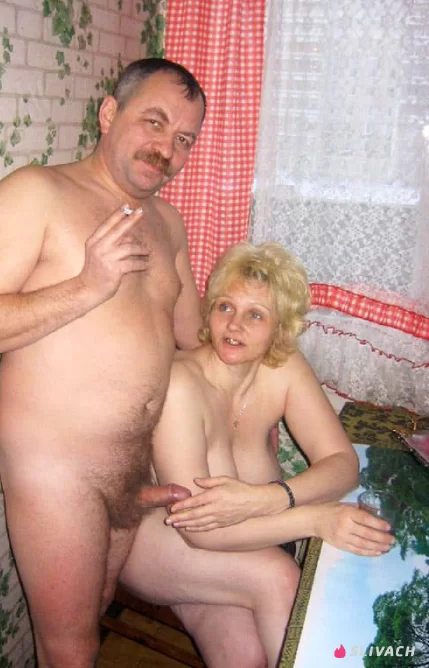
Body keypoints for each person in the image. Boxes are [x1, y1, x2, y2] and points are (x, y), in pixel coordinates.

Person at [0, 58, 208, 668]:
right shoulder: (36, 194)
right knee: (71, 648)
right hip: (59, 475)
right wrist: (88, 286)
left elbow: (191, 337)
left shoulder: (168, 223)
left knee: (98, 614)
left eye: (184, 139)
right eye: (154, 122)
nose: (167, 149)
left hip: (133, 466)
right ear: (109, 114)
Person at [120, 241, 395, 668]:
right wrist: (316, 520)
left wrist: (266, 498)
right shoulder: (181, 386)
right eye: (226, 307)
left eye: (256, 315)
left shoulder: (283, 369)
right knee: (279, 578)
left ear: (279, 330)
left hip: (243, 548)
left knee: (244, 656)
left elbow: (343, 464)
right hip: (166, 545)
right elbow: (201, 532)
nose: (235, 324)